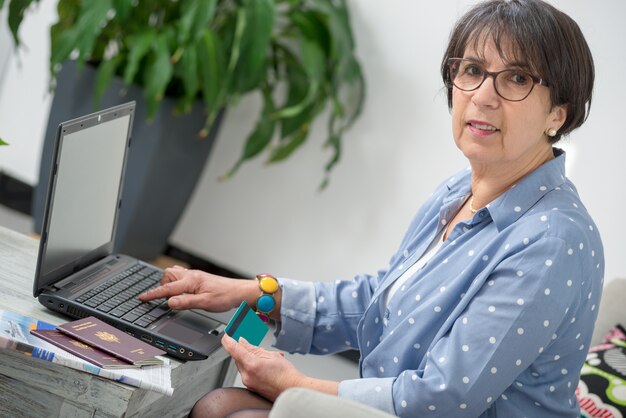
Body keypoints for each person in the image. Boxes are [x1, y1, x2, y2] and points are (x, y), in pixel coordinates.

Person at [139, 0, 603, 416]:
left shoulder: (552, 240)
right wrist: (254, 292)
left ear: (558, 113)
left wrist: (297, 386)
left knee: (226, 410)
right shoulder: (458, 191)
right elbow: (381, 301)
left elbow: (444, 398)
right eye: (472, 70)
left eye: (517, 78)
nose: (483, 95)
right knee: (217, 404)